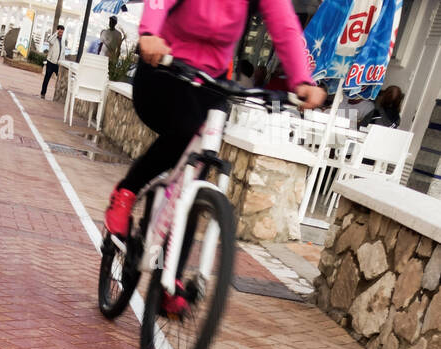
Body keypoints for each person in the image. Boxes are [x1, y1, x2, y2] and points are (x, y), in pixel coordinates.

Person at [103, 0, 325, 245]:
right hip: (164, 65)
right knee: (185, 131)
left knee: (199, 170)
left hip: (211, 79)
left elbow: (285, 27)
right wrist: (150, 33)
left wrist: (302, 80)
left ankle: (171, 274)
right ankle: (126, 192)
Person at [41, 24, 65, 98]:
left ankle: (58, 96)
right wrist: (56, 33)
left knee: (60, 80)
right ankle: (43, 93)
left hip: (58, 64)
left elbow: (63, 52)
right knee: (47, 78)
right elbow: (49, 40)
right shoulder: (53, 39)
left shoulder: (63, 41)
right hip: (50, 62)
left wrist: (62, 62)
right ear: (57, 31)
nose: (61, 34)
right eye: (60, 32)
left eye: (62, 32)